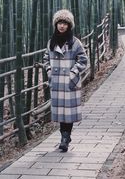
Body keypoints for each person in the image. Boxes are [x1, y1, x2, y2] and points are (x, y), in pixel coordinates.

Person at [43, 9, 88, 152]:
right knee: (61, 113)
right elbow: (45, 59)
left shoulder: (75, 43)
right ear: (56, 25)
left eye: (65, 23)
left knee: (68, 114)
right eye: (59, 23)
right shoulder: (51, 43)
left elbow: (83, 60)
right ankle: (65, 137)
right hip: (56, 83)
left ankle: (65, 139)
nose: (62, 26)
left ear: (69, 26)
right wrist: (49, 71)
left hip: (69, 83)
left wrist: (73, 73)